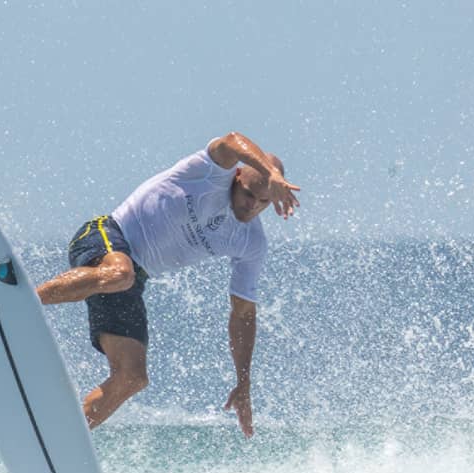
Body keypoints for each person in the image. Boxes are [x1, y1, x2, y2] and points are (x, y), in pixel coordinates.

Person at [36, 131, 300, 437]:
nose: (252, 206)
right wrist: (271, 173)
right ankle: (18, 300)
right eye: (248, 194)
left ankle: (61, 437)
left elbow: (243, 315)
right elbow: (231, 140)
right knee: (120, 273)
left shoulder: (250, 242)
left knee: (133, 377)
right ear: (238, 175)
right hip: (107, 234)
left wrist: (243, 382)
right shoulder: (210, 171)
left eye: (263, 201)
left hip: (130, 281)